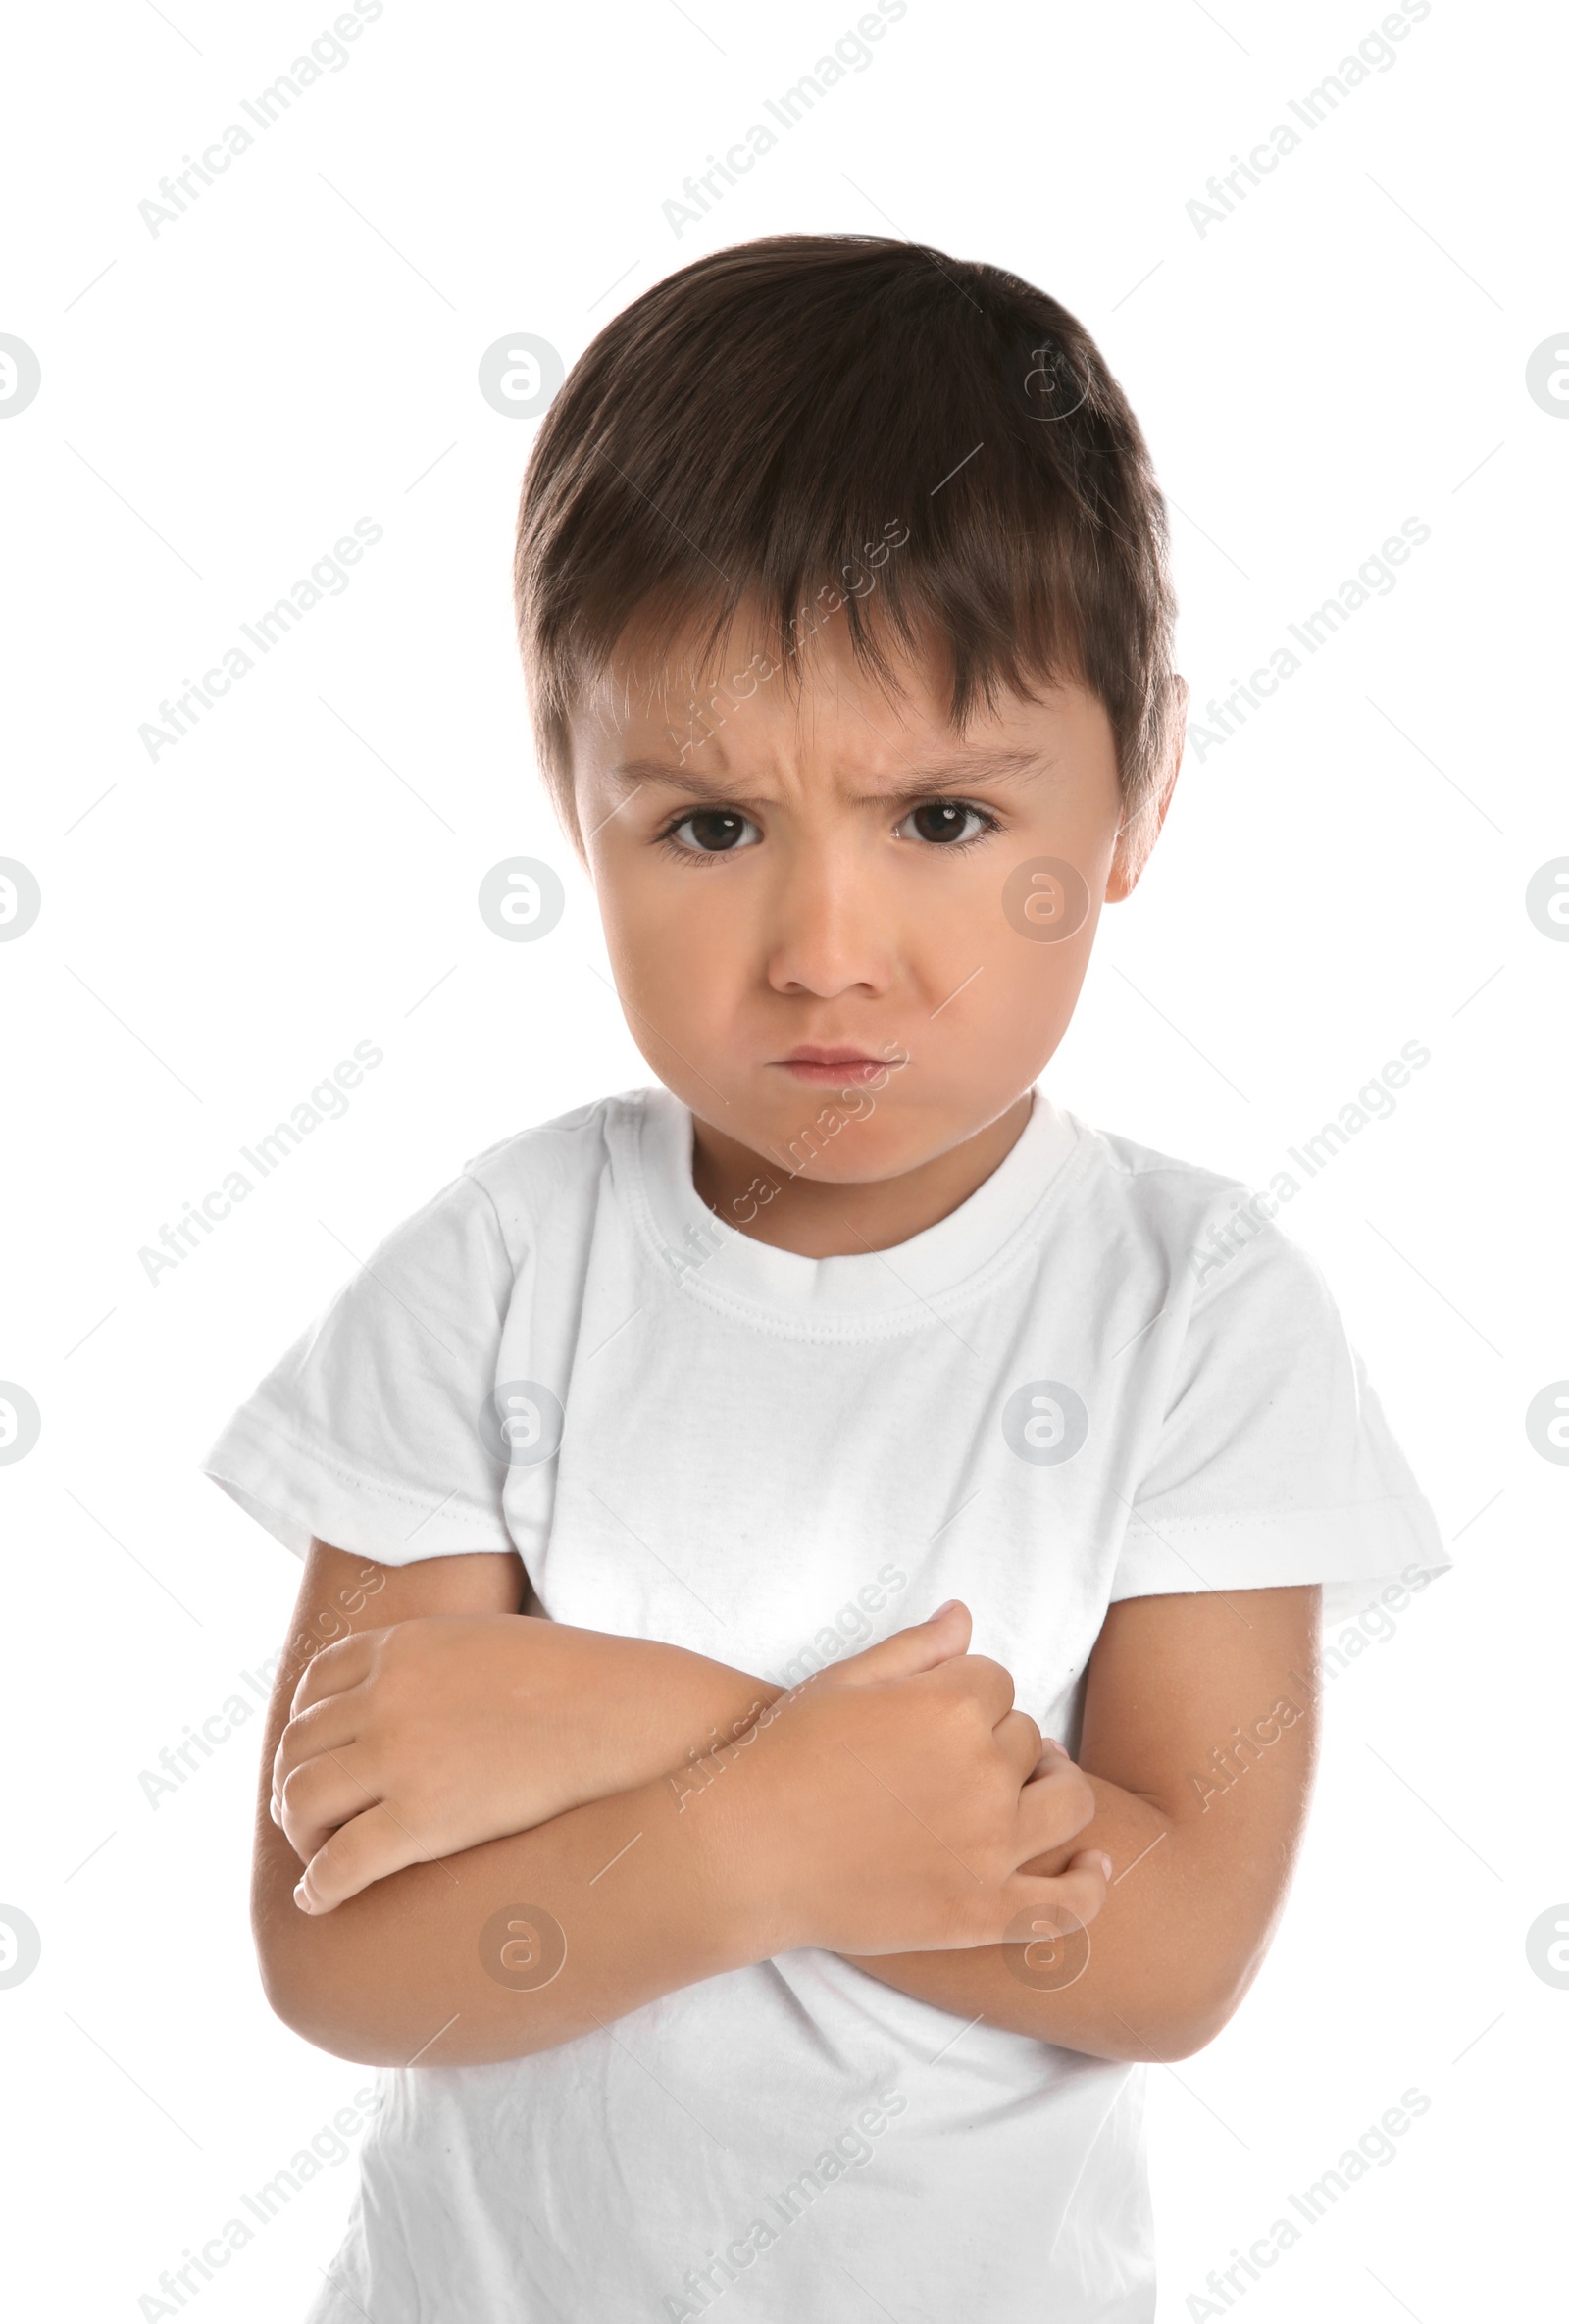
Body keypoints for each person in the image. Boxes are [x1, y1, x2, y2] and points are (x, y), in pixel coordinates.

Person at [203, 234, 1451, 2323]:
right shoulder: (497, 1272)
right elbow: (334, 1949)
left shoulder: (1190, 1308)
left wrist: (663, 1733)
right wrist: (774, 1831)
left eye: (944, 814)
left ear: (1135, 784)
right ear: (569, 795)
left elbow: (1163, 1956)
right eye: (705, 828)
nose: (823, 949)